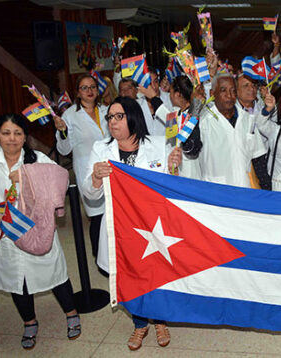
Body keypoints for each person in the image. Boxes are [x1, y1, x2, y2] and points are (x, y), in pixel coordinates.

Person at [82, 96, 182, 351]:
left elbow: (173, 185)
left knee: (155, 273)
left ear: (133, 117)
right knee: (130, 276)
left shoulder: (159, 144)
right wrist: (94, 178)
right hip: (121, 226)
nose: (112, 122)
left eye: (118, 116)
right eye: (110, 117)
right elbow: (91, 194)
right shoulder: (101, 149)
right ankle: (140, 323)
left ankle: (159, 320)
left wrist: (173, 168)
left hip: (154, 224)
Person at [0, 114, 80, 350]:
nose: (12, 139)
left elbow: (61, 180)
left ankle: (72, 313)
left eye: (17, 133)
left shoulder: (38, 159)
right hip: (3, 230)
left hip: (36, 229)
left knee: (55, 273)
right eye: (6, 133)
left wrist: (27, 177)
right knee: (17, 280)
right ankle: (29, 322)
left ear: (25, 137)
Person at [53, 74, 108, 261]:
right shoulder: (69, 115)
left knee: (114, 212)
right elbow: (63, 148)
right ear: (78, 92)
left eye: (92, 87)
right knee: (97, 215)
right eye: (84, 88)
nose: (90, 91)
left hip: (112, 168)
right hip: (88, 169)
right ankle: (98, 256)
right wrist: (62, 132)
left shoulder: (106, 109)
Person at [198, 73, 269, 188]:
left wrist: (266, 192)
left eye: (233, 91)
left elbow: (258, 159)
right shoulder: (203, 121)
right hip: (216, 191)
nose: (229, 95)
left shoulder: (247, 119)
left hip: (244, 189)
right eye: (223, 90)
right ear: (212, 93)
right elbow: (190, 149)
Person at [154, 75, 202, 179]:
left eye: (170, 93)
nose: (169, 96)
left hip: (194, 174)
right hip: (175, 173)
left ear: (177, 94)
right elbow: (171, 143)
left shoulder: (196, 116)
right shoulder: (175, 115)